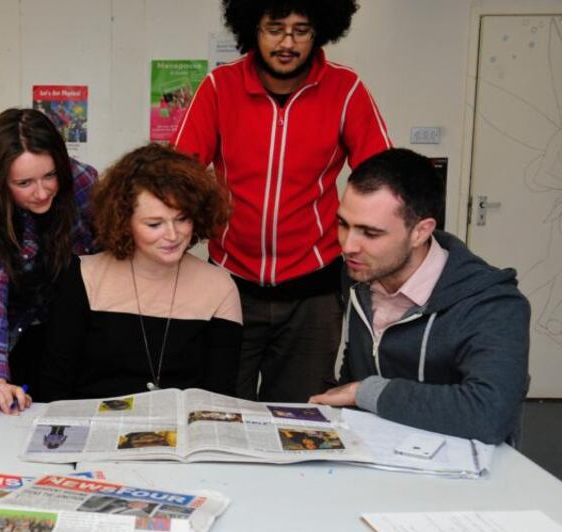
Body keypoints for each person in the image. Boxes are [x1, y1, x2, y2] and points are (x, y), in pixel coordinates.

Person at [172, 0, 391, 402]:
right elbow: (176, 173)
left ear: (320, 31)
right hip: (228, 284)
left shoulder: (346, 90)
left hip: (314, 292)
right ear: (252, 28)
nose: (287, 42)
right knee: (216, 411)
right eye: (275, 28)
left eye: (301, 29)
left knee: (300, 421)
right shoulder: (220, 88)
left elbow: (384, 180)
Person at [309, 149, 530, 445]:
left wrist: (366, 392)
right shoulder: (359, 273)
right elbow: (358, 367)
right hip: (377, 458)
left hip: (464, 476)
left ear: (421, 232)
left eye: (370, 233)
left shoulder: (494, 304)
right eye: (343, 224)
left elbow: (489, 413)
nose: (348, 246)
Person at [41, 144, 242, 401]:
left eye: (182, 219)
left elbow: (220, 397)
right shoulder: (82, 277)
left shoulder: (220, 286)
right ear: (124, 222)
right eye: (154, 224)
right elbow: (53, 390)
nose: (172, 235)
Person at [0, 108, 98, 405]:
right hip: (6, 331)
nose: (42, 192)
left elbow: (107, 259)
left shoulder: (82, 181)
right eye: (24, 184)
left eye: (50, 176)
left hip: (67, 330)